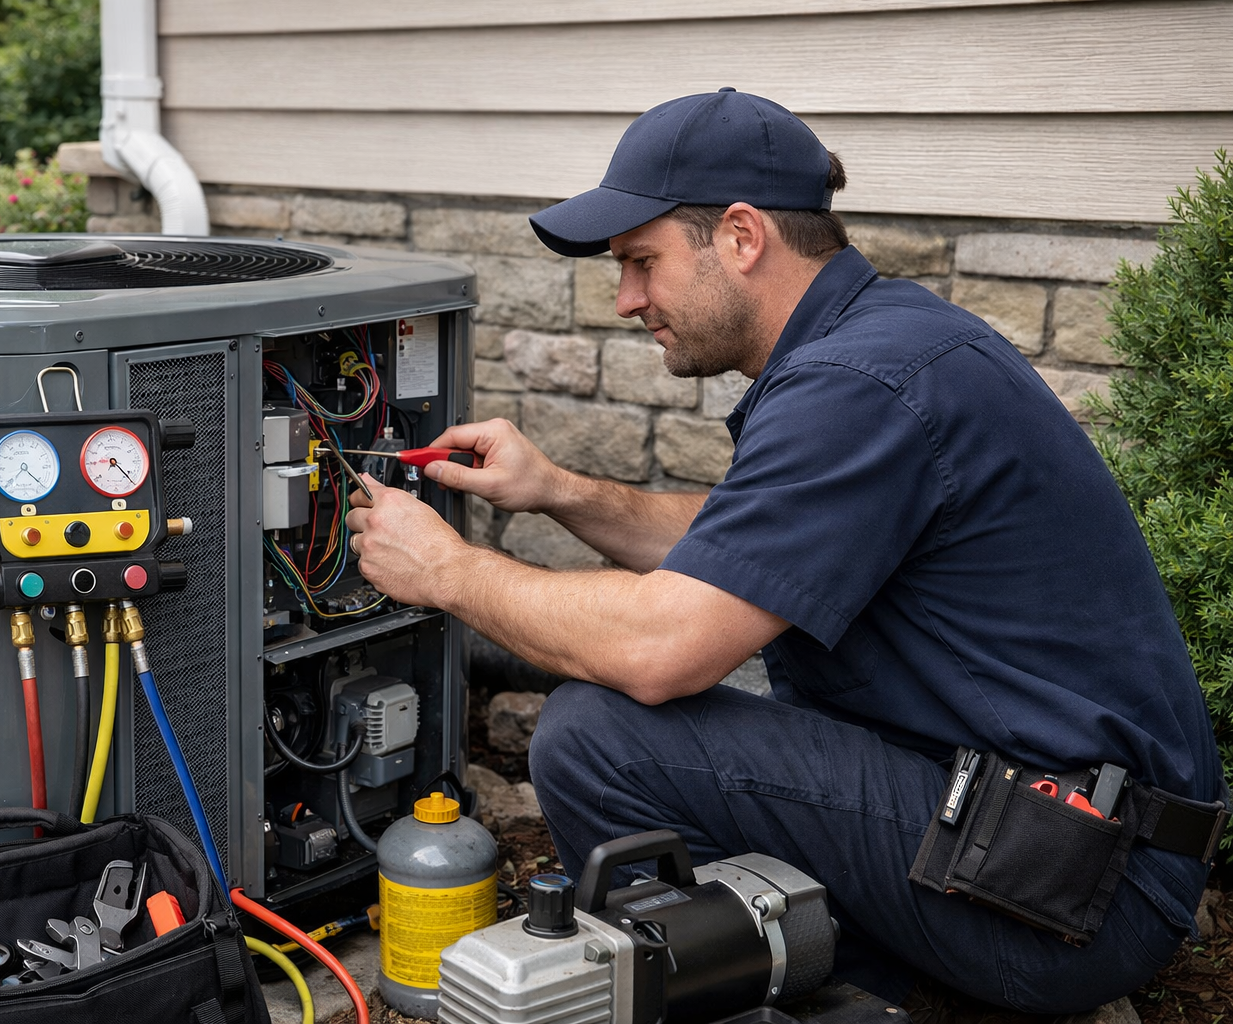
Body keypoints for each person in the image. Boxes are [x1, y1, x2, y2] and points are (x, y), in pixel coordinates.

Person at [344, 88, 1225, 1010]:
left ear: (739, 236)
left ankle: (809, 993)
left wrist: (447, 571)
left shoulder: (859, 384)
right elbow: (743, 548)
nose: (625, 301)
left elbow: (660, 647)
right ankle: (834, 964)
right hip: (1060, 848)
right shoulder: (885, 340)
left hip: (1067, 889)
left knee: (601, 737)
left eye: (642, 263)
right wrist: (556, 489)